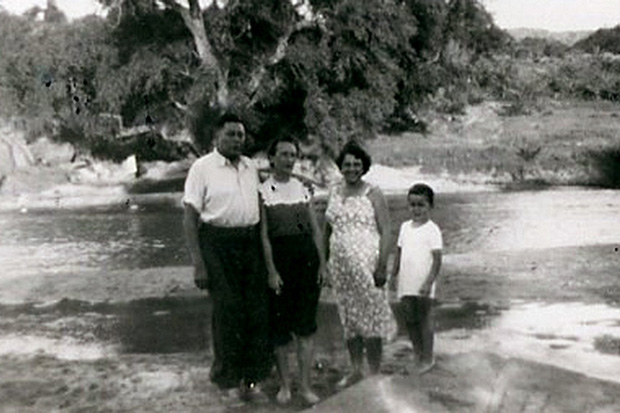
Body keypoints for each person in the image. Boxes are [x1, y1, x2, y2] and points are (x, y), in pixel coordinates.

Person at [182, 112, 271, 404]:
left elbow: (264, 201)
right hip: (217, 244)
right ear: (216, 137)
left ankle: (252, 380)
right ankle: (228, 382)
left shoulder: (250, 166)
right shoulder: (202, 168)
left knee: (256, 312)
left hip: (250, 244)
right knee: (228, 312)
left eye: (240, 135)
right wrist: (198, 263)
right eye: (230, 134)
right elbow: (190, 217)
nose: (236, 139)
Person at [323, 140, 397, 387]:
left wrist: (381, 266)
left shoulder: (373, 192)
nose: (352, 168)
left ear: (364, 167)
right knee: (349, 318)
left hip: (368, 263)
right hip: (340, 267)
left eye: (357, 164)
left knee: (371, 315)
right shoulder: (334, 190)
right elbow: (326, 229)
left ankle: (374, 372)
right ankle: (356, 369)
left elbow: (386, 230)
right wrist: (324, 264)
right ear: (340, 167)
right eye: (347, 164)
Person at [258, 136, 326, 406]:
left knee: (306, 327)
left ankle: (306, 385)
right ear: (271, 158)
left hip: (306, 261)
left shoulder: (303, 188)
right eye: (283, 154)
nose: (288, 160)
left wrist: (323, 263)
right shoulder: (262, 191)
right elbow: (263, 236)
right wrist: (271, 271)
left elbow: (315, 229)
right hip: (280, 261)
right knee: (280, 329)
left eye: (292, 155)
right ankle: (285, 385)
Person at [391, 183, 443, 374]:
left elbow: (437, 260)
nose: (416, 209)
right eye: (412, 205)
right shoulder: (405, 227)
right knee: (410, 319)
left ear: (430, 206)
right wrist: (393, 275)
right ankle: (418, 354)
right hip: (406, 281)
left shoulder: (432, 230)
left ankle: (428, 358)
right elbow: (399, 252)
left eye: (421, 205)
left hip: (424, 283)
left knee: (425, 319)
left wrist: (429, 282)